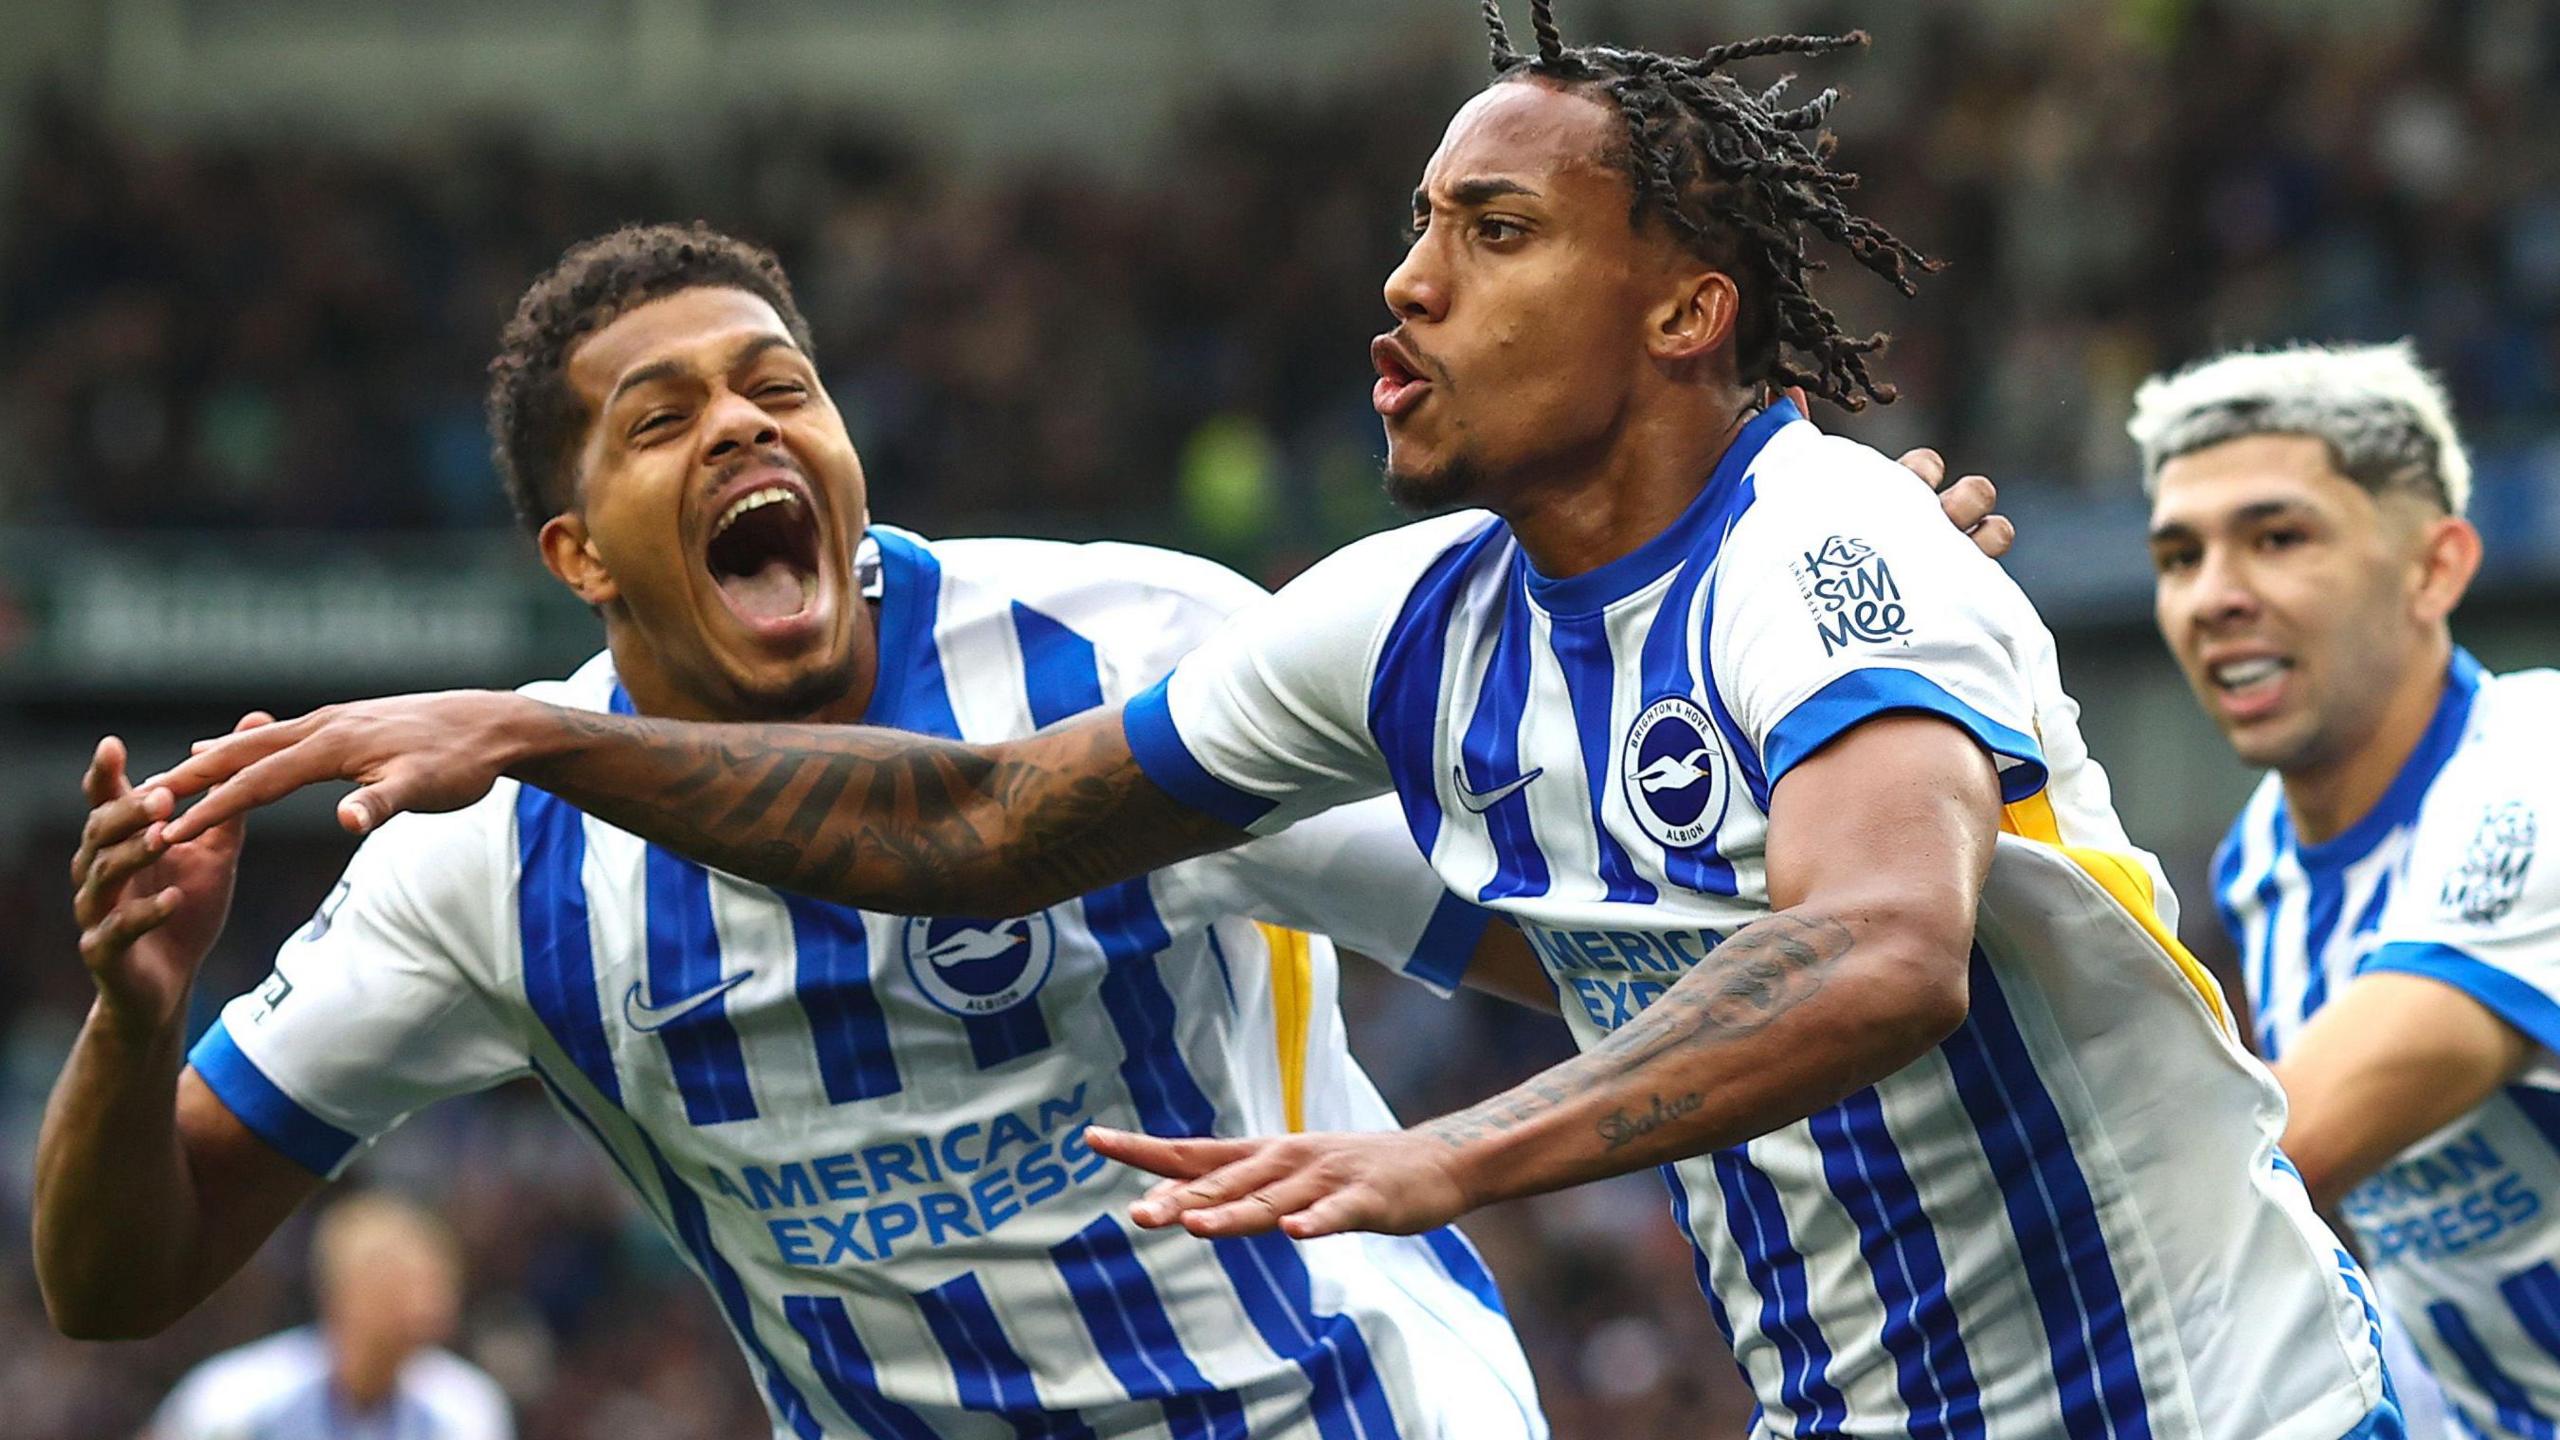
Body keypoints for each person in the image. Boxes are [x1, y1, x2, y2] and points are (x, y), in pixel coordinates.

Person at [135, 8, 2393, 1435]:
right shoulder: (1401, 624)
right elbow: (998, 817)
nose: (1403, 283)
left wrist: (1440, 1157)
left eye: (1489, 232)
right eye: (1410, 227)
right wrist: (557, 745)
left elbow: (1879, 950)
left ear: (1679, 304)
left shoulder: (1829, 548)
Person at [39, 222, 1558, 1439]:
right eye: (662, 420)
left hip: (1347, 1409)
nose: (740, 431)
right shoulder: (487, 866)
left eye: (779, 390)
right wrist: (134, 1016)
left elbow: (1550, 950)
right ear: (577, 555)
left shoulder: (1131, 650)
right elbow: (113, 1281)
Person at [2139, 342, 2560, 1437]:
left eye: (2277, 538)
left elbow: (2273, 1155)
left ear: (2435, 568)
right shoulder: (2260, 862)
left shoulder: (2537, 767)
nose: (2215, 597)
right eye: (2179, 557)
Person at [147, 1193, 513, 1440]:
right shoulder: (236, 1400)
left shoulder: (465, 1408)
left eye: (438, 1283)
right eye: (402, 1285)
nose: (430, 1304)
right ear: (344, 1291)